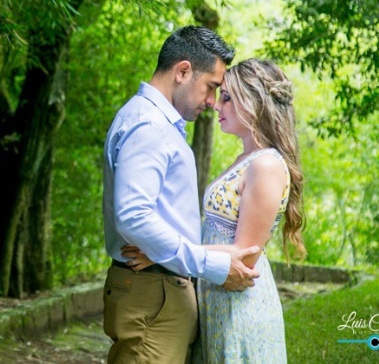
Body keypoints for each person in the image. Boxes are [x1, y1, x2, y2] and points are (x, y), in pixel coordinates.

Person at [124, 58, 306, 363]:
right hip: (216, 298)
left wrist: (162, 254)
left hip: (240, 308)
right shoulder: (245, 159)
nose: (216, 105)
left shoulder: (266, 165)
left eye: (227, 98)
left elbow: (245, 254)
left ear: (255, 101)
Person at [102, 26, 261, 364]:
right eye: (211, 87)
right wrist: (212, 265)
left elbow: (159, 216)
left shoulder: (157, 123)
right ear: (183, 71)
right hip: (151, 296)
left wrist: (161, 254)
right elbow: (134, 216)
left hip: (158, 290)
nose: (212, 102)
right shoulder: (150, 126)